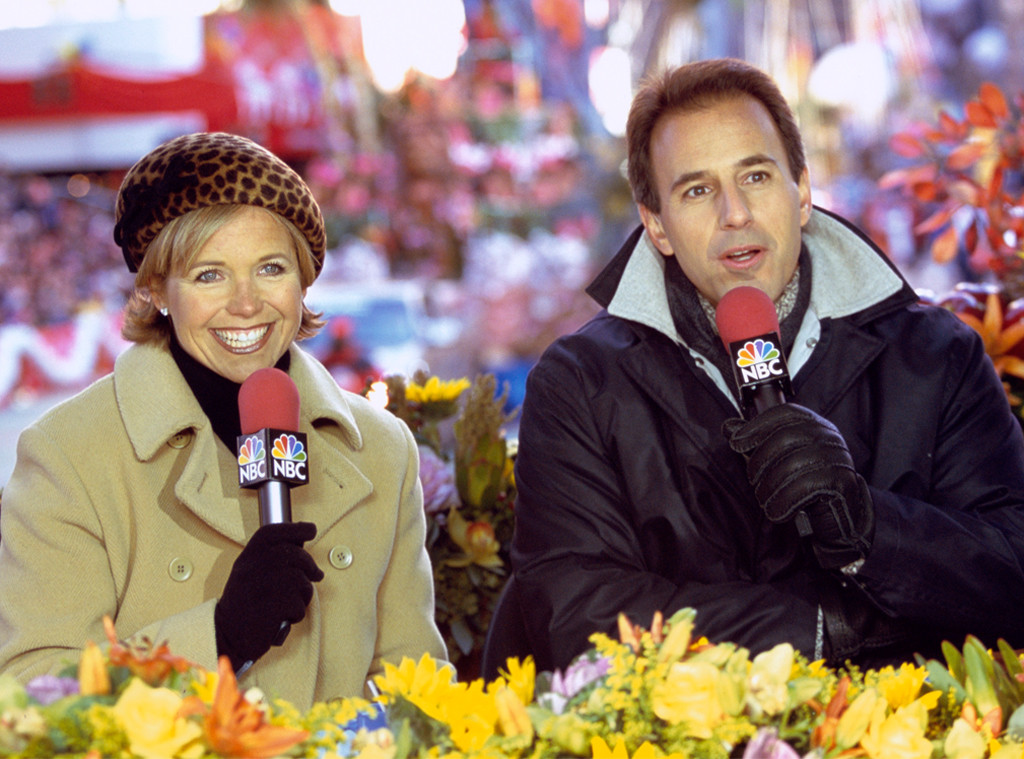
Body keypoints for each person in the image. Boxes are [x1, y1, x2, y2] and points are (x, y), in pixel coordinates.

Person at [506, 58, 1024, 673]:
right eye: (696, 190)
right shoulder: (582, 384)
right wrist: (822, 631)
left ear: (800, 191)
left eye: (755, 176)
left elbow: (1013, 570)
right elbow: (573, 610)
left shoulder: (934, 357)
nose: (735, 213)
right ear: (657, 226)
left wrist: (872, 529)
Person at [0, 132, 447, 707]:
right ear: (159, 289)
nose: (245, 302)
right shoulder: (68, 454)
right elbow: (36, 695)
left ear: (303, 279)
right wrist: (218, 636)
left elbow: (417, 687)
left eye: (270, 268)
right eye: (209, 274)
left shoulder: (383, 449)